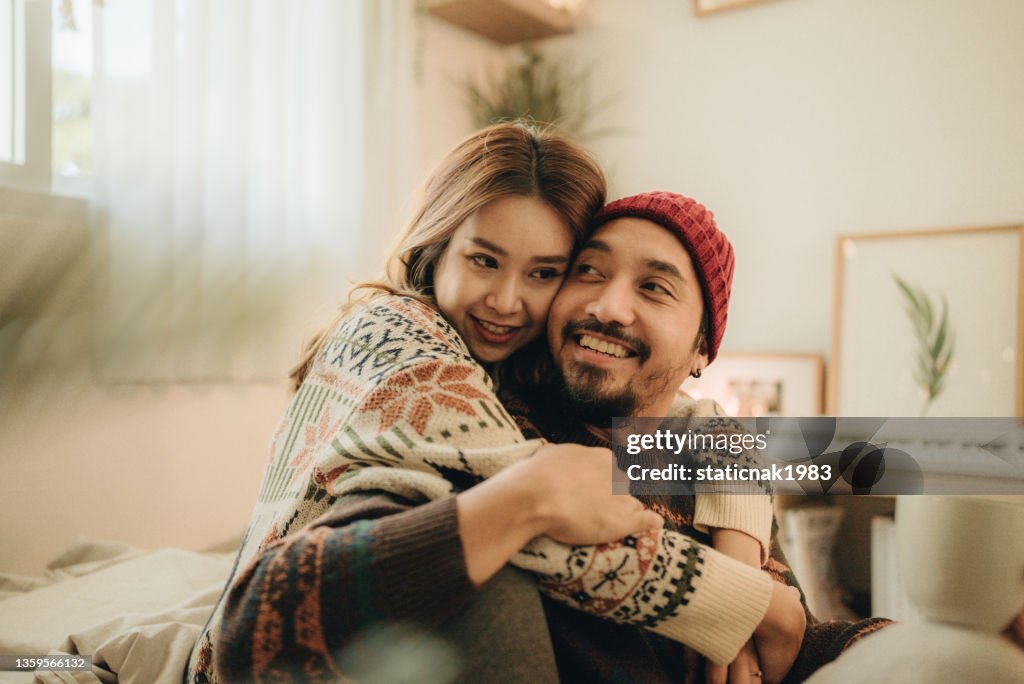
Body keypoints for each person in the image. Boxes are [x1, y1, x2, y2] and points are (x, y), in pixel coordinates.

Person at [185, 124, 805, 684]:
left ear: (703, 348)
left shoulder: (599, 409)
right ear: (436, 247)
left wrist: (735, 473)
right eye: (485, 260)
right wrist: (748, 600)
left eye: (545, 272)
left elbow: (840, 454)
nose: (507, 302)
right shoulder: (408, 343)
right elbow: (528, 505)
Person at [500, 191, 893, 682]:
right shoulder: (504, 428)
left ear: (702, 348)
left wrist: (920, 645)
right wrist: (743, 600)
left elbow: (793, 642)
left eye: (654, 287)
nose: (609, 307)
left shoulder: (711, 464)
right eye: (589, 271)